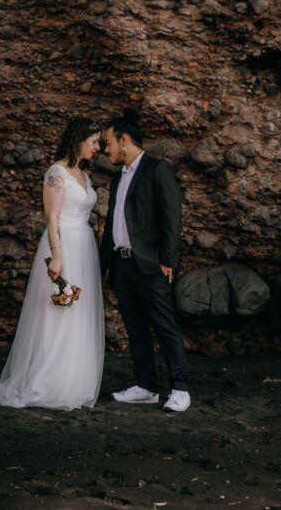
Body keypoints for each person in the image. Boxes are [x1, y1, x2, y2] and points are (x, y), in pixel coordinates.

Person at [0, 117, 105, 410]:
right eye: (93, 142)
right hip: (64, 243)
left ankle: (75, 379)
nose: (97, 148)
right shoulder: (56, 172)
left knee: (80, 311)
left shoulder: (83, 175)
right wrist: (58, 255)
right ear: (78, 140)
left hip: (85, 245)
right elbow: (51, 218)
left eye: (98, 142)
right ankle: (49, 380)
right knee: (59, 310)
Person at [99, 109, 190, 412]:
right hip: (122, 264)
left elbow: (172, 218)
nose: (105, 148)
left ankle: (179, 388)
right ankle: (146, 385)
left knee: (164, 326)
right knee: (135, 327)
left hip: (151, 264)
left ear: (124, 140)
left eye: (108, 142)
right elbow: (112, 222)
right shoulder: (117, 179)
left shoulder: (157, 169)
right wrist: (104, 265)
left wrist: (168, 260)